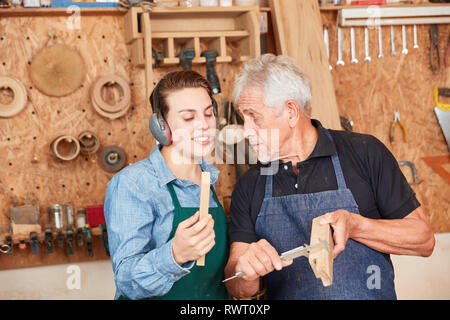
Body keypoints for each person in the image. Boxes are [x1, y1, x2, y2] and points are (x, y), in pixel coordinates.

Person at [224, 54, 435, 300]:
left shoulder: (364, 153)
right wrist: (245, 272)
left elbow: (423, 240)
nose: (246, 131)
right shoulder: (250, 185)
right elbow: (235, 285)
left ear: (291, 112)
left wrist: (357, 226)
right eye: (243, 118)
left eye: (254, 118)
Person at [104, 70, 229, 300]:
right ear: (161, 126)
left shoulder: (209, 179)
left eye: (208, 113)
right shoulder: (134, 184)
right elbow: (126, 280)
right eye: (189, 118)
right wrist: (174, 255)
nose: (204, 125)